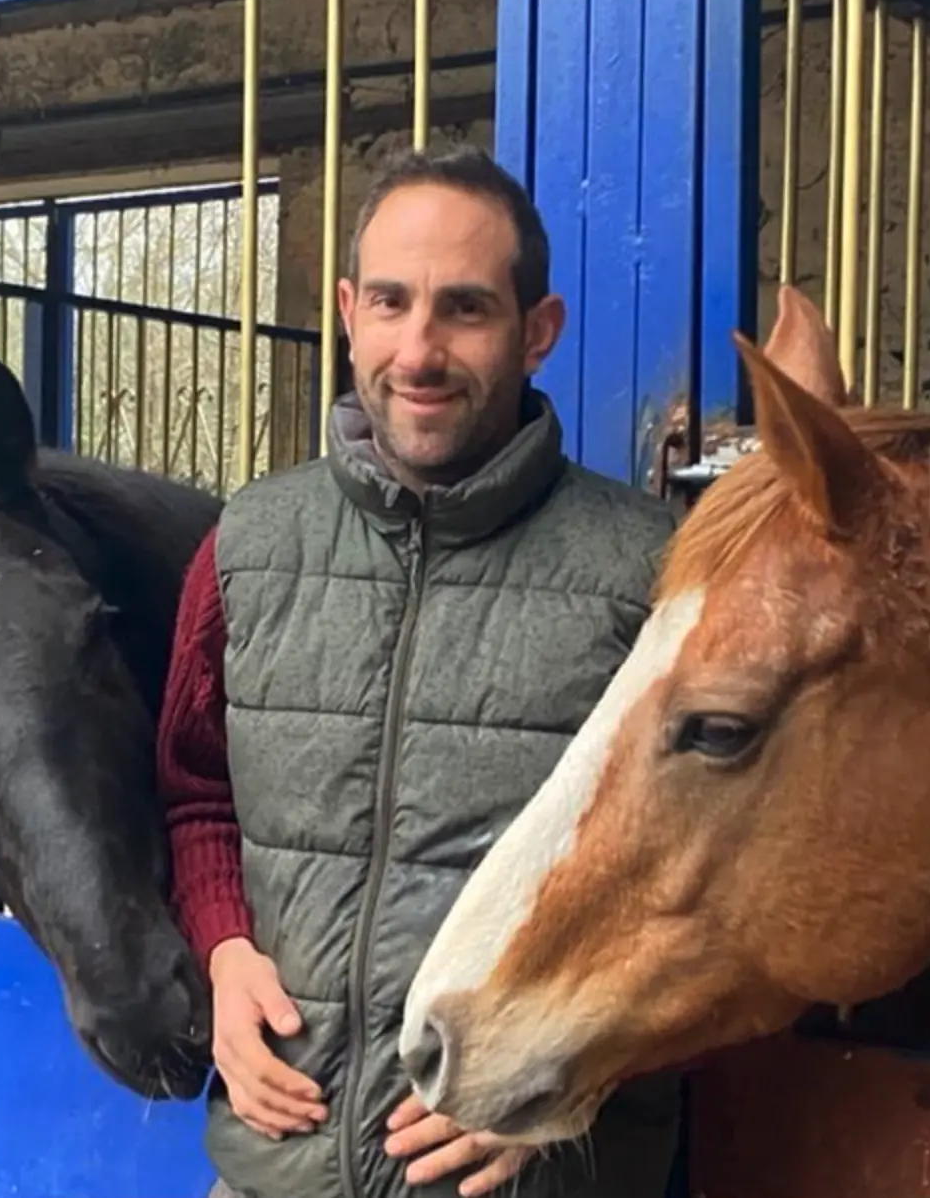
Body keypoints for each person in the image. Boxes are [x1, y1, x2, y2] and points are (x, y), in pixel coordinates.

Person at [158, 142, 684, 1198]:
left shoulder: (651, 576)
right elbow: (196, 796)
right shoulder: (247, 546)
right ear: (348, 311)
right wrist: (222, 953)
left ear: (538, 331)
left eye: (465, 309)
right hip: (272, 1171)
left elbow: (717, 889)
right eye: (390, 302)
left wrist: (575, 1078)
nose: (419, 350)